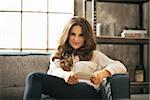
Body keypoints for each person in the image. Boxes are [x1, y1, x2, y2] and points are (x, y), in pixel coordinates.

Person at [23, 16, 127, 100]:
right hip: (64, 89)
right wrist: (66, 76)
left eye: (81, 35)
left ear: (86, 38)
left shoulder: (94, 55)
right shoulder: (58, 54)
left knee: (34, 77)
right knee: (34, 78)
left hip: (87, 92)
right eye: (73, 34)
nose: (76, 39)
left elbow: (120, 66)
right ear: (67, 35)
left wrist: (102, 74)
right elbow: (53, 72)